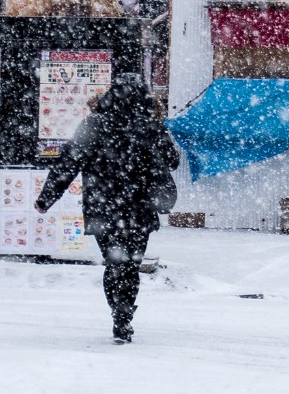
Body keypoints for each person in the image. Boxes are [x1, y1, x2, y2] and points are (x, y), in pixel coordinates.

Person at [34, 73, 181, 343]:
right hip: (139, 209)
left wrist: (46, 198)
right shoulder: (149, 126)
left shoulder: (93, 124)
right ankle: (124, 317)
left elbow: (68, 163)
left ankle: (117, 312)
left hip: (103, 209)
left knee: (115, 263)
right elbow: (172, 161)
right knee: (130, 266)